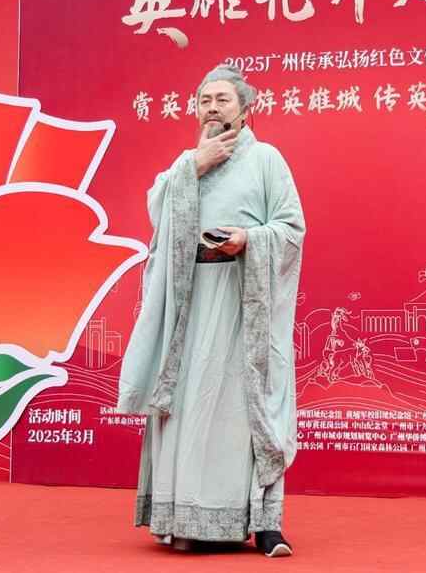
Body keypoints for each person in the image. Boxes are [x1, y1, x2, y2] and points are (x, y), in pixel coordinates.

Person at [117, 65, 305, 557]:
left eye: (223, 99)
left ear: (246, 108)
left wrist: (249, 239)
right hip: (190, 301)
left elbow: (291, 230)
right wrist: (193, 168)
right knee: (186, 405)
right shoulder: (186, 163)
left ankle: (263, 522)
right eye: (204, 100)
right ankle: (185, 519)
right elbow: (157, 214)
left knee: (246, 408)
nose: (213, 108)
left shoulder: (266, 159)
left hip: (243, 299)